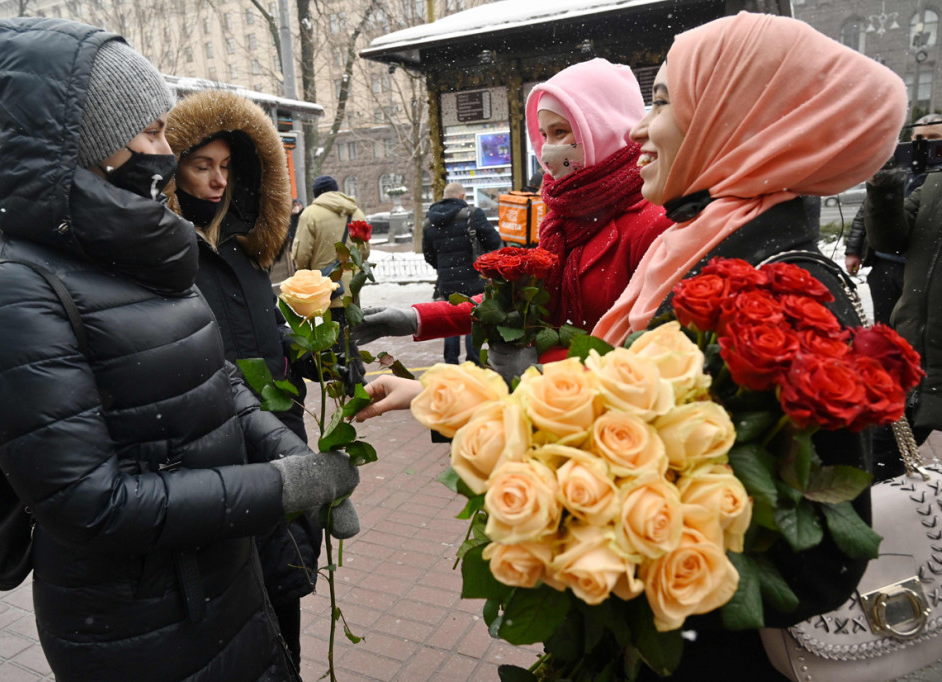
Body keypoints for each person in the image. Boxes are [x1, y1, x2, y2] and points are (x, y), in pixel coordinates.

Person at [358, 12, 905, 679]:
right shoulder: (697, 248)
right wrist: (443, 390)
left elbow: (814, 568)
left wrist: (607, 532)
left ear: (738, 118)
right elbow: (616, 407)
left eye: (667, 101)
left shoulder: (780, 292)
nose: (639, 128)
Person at [0, 18, 360, 681]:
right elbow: (89, 501)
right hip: (137, 625)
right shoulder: (15, 287)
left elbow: (210, 378)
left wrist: (286, 453)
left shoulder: (137, 248)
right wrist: (274, 489)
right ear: (87, 139)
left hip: (220, 577)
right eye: (151, 131)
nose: (165, 150)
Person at [356, 58, 672, 369]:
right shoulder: (562, 219)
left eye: (561, 131)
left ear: (604, 129)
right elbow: (513, 303)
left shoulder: (652, 223)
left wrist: (541, 367)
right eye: (544, 135)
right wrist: (416, 318)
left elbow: (653, 354)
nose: (548, 150)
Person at [164, 89, 322, 669]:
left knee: (286, 608)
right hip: (220, 466)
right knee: (237, 625)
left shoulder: (246, 255)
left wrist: (320, 352)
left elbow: (269, 344)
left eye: (227, 167)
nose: (216, 181)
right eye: (201, 166)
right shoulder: (164, 265)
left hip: (281, 449)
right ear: (171, 170)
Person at [863, 116, 942, 478]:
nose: (928, 151)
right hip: (920, 357)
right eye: (921, 142)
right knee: (880, 456)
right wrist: (884, 187)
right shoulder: (931, 188)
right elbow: (889, 237)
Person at [844, 113, 942, 324]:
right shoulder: (898, 171)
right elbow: (866, 213)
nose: (923, 146)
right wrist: (853, 250)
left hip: (918, 269)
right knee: (885, 327)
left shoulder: (935, 182)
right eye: (917, 139)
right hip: (883, 265)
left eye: (933, 138)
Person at [291, 174, 369, 393]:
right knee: (348, 330)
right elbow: (365, 250)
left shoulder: (311, 214)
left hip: (325, 283)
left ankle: (352, 381)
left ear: (317, 194)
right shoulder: (356, 212)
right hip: (352, 284)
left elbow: (301, 255)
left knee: (332, 332)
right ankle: (354, 376)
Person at [422, 181, 501, 364]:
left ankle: (450, 361)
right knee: (473, 317)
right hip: (474, 277)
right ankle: (473, 360)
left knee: (450, 318)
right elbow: (493, 240)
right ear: (462, 196)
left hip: (446, 281)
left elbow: (428, 255)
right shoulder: (472, 215)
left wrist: (443, 267)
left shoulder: (429, 221)